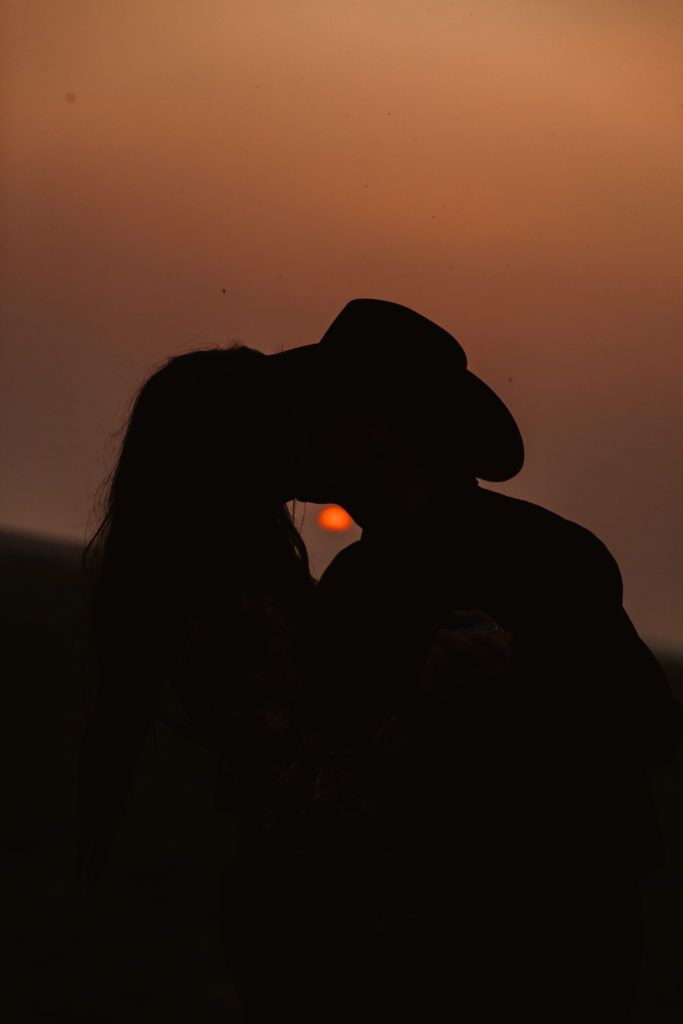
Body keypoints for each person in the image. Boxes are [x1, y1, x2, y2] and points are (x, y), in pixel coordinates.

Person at [269, 297, 683, 1022]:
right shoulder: (352, 586)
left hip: (537, 956)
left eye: (323, 409)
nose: (298, 429)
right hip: (403, 956)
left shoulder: (545, 557)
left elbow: (651, 729)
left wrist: (515, 686)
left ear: (385, 425)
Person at [72, 341, 482, 1022]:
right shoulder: (233, 606)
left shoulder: (217, 584)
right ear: (242, 447)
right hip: (320, 924)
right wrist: (433, 700)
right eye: (284, 421)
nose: (304, 433)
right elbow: (311, 791)